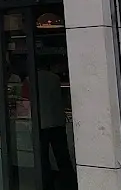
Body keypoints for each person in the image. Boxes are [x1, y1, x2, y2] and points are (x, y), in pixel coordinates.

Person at [36, 60, 77, 190]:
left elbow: (25, 99)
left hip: (40, 122)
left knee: (42, 156)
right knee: (62, 155)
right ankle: (70, 182)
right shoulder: (55, 78)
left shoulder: (30, 79)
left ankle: (46, 183)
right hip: (57, 121)